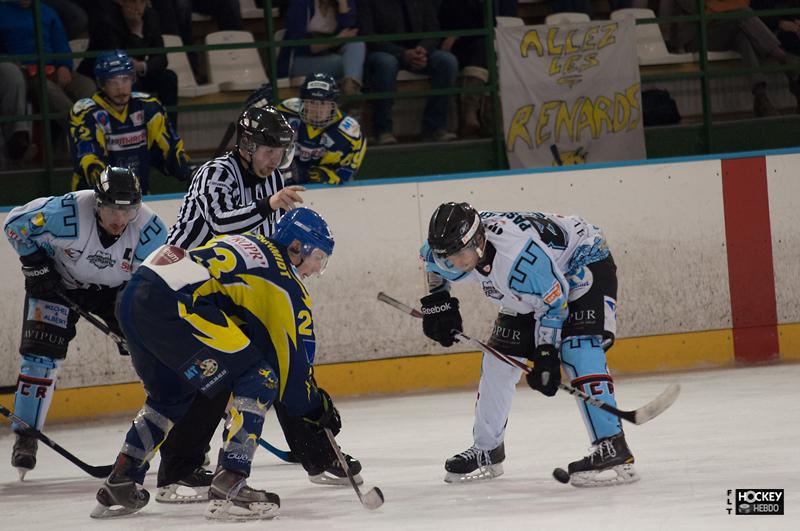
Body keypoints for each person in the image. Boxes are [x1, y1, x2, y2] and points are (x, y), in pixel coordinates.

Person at [155, 104, 360, 504]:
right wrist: (268, 205)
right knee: (213, 379)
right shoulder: (215, 173)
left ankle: (318, 455)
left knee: (281, 358)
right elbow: (219, 225)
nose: (275, 159)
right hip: (188, 289)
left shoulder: (275, 181)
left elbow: (269, 241)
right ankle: (177, 470)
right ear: (246, 146)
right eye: (268, 150)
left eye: (281, 151)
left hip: (233, 291)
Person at [90, 208, 350, 521]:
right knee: (261, 377)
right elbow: (292, 370)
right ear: (296, 247)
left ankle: (122, 479)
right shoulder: (284, 282)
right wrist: (315, 407)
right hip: (174, 304)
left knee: (170, 397)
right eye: (318, 256)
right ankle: (231, 481)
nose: (317, 267)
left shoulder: (249, 244)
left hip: (134, 296)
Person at [418, 202, 638, 487]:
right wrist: (439, 302)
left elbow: (554, 304)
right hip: (541, 278)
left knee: (577, 347)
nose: (455, 264)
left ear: (479, 241)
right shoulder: (448, 244)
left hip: (582, 257)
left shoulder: (519, 260)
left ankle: (612, 447)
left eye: (460, 255)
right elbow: (432, 264)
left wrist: (545, 353)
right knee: (499, 358)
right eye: (448, 257)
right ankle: (488, 449)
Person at [2, 167, 167, 480]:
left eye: (128, 210)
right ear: (97, 204)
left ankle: (176, 430)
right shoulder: (67, 212)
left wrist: (145, 326)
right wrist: (36, 265)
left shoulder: (150, 230)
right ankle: (27, 435)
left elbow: (162, 277)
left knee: (156, 355)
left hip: (118, 291)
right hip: (60, 285)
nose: (120, 219)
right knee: (40, 357)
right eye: (111, 210)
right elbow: (15, 224)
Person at [69, 49, 191, 193]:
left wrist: (190, 172)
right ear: (101, 84)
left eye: (125, 79)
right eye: (112, 82)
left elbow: (169, 150)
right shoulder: (86, 112)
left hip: (138, 196)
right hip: (93, 198)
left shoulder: (148, 107)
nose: (120, 88)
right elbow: (89, 159)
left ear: (132, 79)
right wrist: (110, 187)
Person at [357, 0, 460, 145]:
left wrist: (422, 49)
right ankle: (383, 130)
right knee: (387, 64)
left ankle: (435, 128)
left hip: (418, 52)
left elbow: (433, 30)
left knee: (447, 61)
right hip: (385, 51)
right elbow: (367, 34)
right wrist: (402, 53)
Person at [0, 0, 96, 152]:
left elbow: (60, 42)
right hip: (25, 72)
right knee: (48, 89)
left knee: (87, 85)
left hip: (54, 67)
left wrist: (64, 65)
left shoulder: (47, 11)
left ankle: (97, 130)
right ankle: (83, 132)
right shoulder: (2, 12)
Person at [77, 0, 179, 126]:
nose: (138, 8)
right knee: (127, 83)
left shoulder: (150, 16)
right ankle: (133, 136)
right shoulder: (107, 19)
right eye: (133, 2)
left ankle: (168, 134)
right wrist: (136, 32)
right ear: (121, 2)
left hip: (134, 72)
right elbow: (117, 60)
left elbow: (161, 57)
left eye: (142, 2)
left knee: (169, 78)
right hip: (105, 75)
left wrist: (142, 66)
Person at [278, 73, 367, 185]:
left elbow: (348, 171)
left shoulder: (349, 132)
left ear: (333, 104)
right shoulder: (285, 113)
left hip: (327, 187)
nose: (317, 110)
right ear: (302, 103)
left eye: (323, 103)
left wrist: (327, 175)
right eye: (312, 103)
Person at [278, 0, 365, 97]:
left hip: (328, 54)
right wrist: (334, 41)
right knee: (347, 64)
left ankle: (350, 89)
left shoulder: (343, 3)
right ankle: (350, 97)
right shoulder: (301, 3)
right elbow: (298, 45)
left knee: (357, 44)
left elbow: (349, 33)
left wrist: (343, 5)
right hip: (299, 59)